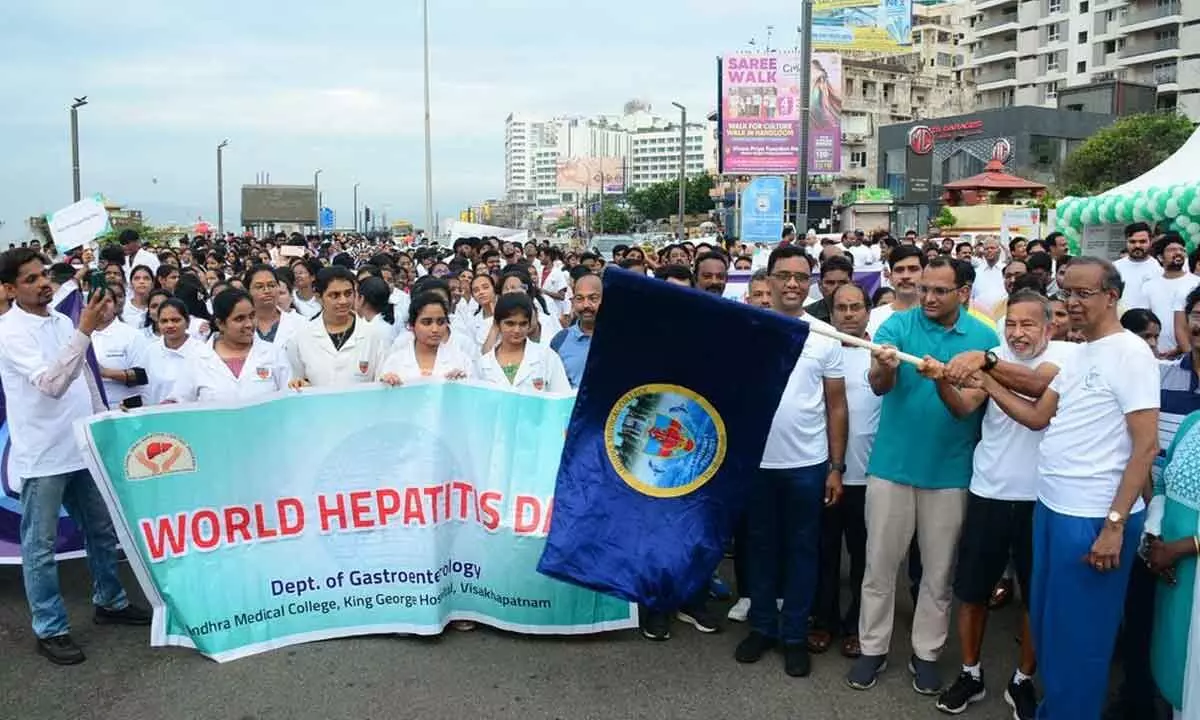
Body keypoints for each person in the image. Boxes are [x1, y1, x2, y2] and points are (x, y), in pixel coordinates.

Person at [981, 257, 1158, 719]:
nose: (1072, 304)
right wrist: (985, 380)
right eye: (1066, 294)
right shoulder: (1077, 354)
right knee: (1049, 628)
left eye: (1083, 294)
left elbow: (1146, 447)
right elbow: (1039, 416)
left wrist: (1115, 526)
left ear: (1112, 297)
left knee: (1082, 642)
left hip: (1094, 518)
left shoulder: (1132, 353)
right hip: (1053, 508)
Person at [848, 256, 999, 694]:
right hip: (891, 468)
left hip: (950, 474)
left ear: (963, 293)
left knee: (938, 574)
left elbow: (966, 406)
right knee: (878, 568)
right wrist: (884, 366)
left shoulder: (984, 338)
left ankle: (926, 654)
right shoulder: (896, 326)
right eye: (923, 289)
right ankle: (873, 649)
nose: (928, 297)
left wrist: (941, 378)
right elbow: (879, 385)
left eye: (939, 291)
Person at [927, 290, 1076, 719]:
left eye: (1028, 324)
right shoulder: (992, 353)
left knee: (1034, 596)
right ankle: (971, 674)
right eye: (1011, 323)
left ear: (1050, 327)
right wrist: (941, 380)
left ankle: (1022, 681)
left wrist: (986, 371)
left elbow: (1034, 391)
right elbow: (962, 408)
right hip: (989, 492)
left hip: (1043, 498)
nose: (1017, 332)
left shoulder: (1064, 357)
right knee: (972, 591)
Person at [0, 248, 151, 665]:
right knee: (40, 547)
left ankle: (111, 601)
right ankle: (50, 628)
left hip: (80, 447)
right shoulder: (10, 332)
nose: (42, 283)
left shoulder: (61, 320)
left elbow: (83, 379)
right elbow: (50, 383)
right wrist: (85, 329)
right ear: (11, 288)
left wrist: (101, 425)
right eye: (30, 279)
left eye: (43, 275)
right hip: (44, 455)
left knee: (101, 531)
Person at [735, 246, 847, 678]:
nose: (794, 284)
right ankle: (763, 626)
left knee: (804, 550)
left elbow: (836, 405)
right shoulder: (748, 329)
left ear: (811, 281)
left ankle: (795, 633)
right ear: (770, 280)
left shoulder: (825, 334)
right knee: (760, 546)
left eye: (802, 277)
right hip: (756, 463)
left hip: (808, 464)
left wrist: (836, 466)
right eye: (785, 276)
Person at [811, 282, 880, 661]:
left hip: (870, 477)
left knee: (864, 557)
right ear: (832, 313)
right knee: (824, 553)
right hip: (826, 473)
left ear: (868, 311)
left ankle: (856, 626)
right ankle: (823, 621)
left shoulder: (884, 355)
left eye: (857, 307)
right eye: (842, 308)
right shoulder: (822, 351)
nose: (850, 314)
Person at [1146, 408, 1200, 720]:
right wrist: (1155, 538)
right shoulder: (1192, 422)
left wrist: (1182, 548)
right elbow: (1164, 485)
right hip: (1173, 571)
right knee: (1176, 670)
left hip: (1188, 565)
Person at [168, 288, 291, 402]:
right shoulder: (197, 358)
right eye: (239, 319)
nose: (249, 324)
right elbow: (179, 402)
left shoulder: (274, 354)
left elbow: (288, 398)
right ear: (220, 323)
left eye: (252, 316)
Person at [287, 267, 387, 388]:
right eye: (334, 295)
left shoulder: (373, 334)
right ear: (319, 297)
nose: (343, 301)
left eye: (348, 293)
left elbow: (381, 380)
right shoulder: (301, 336)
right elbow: (297, 378)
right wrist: (299, 384)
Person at [476, 293, 570, 393]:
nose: (517, 330)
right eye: (510, 323)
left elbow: (561, 396)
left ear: (529, 324)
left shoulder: (546, 356)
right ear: (497, 324)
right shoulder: (484, 364)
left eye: (523, 324)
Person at [380, 292, 476, 383]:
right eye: (427, 322)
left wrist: (462, 386)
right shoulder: (395, 361)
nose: (435, 329)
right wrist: (387, 385)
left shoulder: (461, 360)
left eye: (440, 322)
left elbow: (474, 396)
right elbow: (381, 398)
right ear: (412, 326)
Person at [140, 298, 212, 405]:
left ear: (187, 323)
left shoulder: (202, 352)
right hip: (156, 417)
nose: (169, 325)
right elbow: (144, 390)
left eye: (175, 320)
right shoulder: (150, 352)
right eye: (164, 321)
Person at [89, 286, 149, 410]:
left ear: (116, 306)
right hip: (90, 408)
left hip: (123, 408)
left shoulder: (132, 335)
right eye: (98, 301)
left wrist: (103, 372)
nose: (102, 305)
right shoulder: (82, 335)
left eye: (108, 301)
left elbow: (142, 375)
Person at [1142, 233, 1199, 358]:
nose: (1178, 253)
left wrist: (1181, 348)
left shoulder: (1196, 283)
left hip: (1190, 353)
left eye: (1182, 250)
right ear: (1160, 257)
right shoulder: (1149, 286)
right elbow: (1146, 320)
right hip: (1158, 353)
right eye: (1172, 250)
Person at [550, 272, 600, 389]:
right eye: (580, 299)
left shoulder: (621, 337)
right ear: (572, 302)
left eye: (593, 298)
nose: (586, 305)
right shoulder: (560, 340)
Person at [868, 245, 924, 336]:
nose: (905, 276)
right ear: (890, 278)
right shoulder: (871, 318)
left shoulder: (940, 317)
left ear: (925, 274)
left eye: (913, 269)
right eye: (899, 270)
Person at [244, 265, 303, 349]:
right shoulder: (240, 326)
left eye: (271, 285)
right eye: (259, 287)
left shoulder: (300, 323)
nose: (267, 291)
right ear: (247, 291)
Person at [1114, 222, 1162, 311]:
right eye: (1132, 241)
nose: (1137, 245)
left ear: (1150, 242)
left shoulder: (1158, 269)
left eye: (1142, 241)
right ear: (1126, 241)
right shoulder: (1115, 267)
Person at [804, 255, 853, 324]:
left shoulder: (863, 313)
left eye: (842, 282)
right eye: (830, 283)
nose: (836, 288)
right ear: (820, 285)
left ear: (851, 285)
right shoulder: (806, 316)